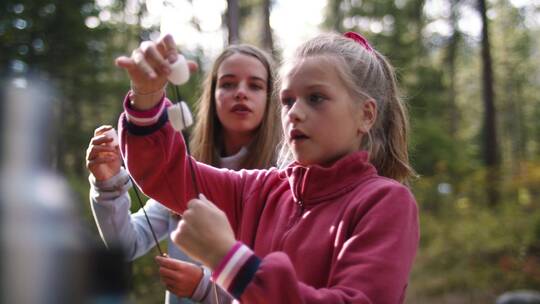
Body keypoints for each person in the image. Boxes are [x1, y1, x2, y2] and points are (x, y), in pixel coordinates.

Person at [116, 32, 420, 303]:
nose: (295, 113)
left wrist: (230, 261)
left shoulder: (385, 202)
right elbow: (165, 175)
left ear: (366, 115)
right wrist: (147, 96)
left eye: (316, 98)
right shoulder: (258, 190)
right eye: (287, 101)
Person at [86, 43, 280, 303]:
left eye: (255, 85)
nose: (241, 93)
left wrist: (203, 287)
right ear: (211, 96)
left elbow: (279, 288)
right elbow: (126, 244)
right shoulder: (182, 178)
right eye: (228, 84)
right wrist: (107, 183)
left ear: (271, 98)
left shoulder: (281, 185)